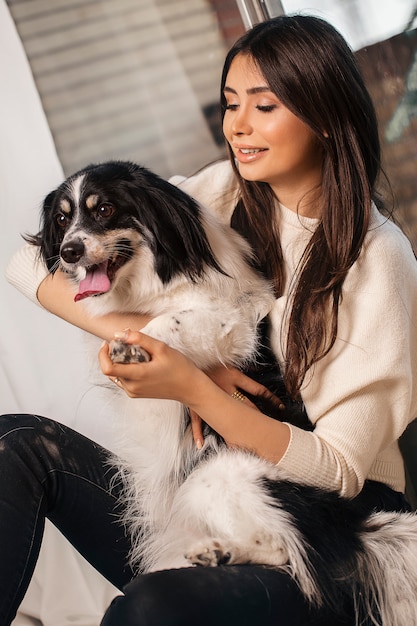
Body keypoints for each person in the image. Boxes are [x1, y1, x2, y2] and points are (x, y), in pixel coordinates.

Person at [3, 14, 417, 626]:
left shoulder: (376, 258)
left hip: (321, 538)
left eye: (264, 105)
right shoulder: (226, 190)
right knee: (16, 445)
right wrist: (146, 343)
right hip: (190, 511)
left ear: (326, 116)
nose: (237, 126)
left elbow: (339, 469)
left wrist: (196, 386)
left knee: (150, 609)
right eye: (230, 104)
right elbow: (26, 260)